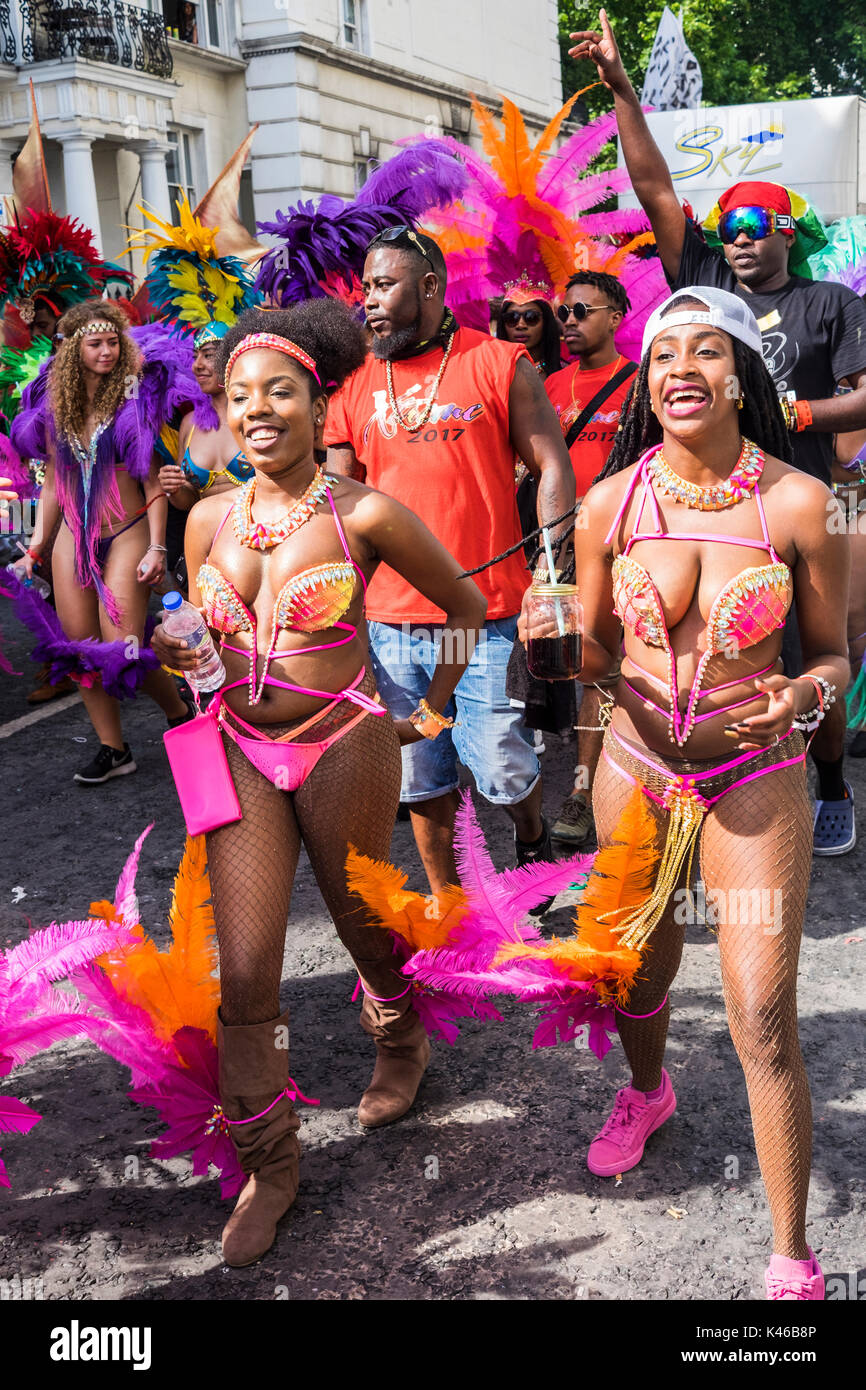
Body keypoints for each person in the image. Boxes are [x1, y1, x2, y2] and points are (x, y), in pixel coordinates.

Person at [151, 299, 486, 1266]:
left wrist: (435, 707)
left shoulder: (366, 513)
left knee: (360, 922)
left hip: (344, 740)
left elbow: (466, 608)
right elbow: (195, 652)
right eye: (241, 394)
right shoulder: (209, 517)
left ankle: (399, 1038)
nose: (259, 409)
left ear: (317, 404)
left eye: (281, 392)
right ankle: (273, 1164)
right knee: (247, 969)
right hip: (239, 753)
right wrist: (181, 657)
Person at [543, 284, 848, 1299]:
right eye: (661, 351)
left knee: (761, 1014)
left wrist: (802, 693)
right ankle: (646, 1089)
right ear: (644, 381)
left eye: (705, 350)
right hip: (633, 766)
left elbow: (837, 655)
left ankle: (791, 1256)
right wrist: (543, 645)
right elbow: (590, 654)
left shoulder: (799, 503)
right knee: (631, 973)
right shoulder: (607, 502)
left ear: (739, 376)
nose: (680, 367)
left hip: (750, 774)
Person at [570, 8, 866, 855]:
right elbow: (657, 188)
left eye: (752, 226)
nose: (734, 240)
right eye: (725, 226)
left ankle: (832, 777)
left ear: (784, 234)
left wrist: (787, 412)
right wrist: (622, 89)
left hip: (806, 499)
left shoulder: (828, 305)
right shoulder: (697, 285)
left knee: (824, 651)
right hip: (691, 504)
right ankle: (662, 778)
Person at [325, 226, 576, 896]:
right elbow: (336, 492)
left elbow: (551, 465)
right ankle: (447, 898)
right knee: (419, 769)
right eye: (366, 288)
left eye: (384, 286)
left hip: (486, 615)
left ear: (430, 287)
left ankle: (530, 835)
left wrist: (553, 573)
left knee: (498, 762)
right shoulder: (354, 379)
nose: (369, 302)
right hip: (389, 621)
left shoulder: (498, 362)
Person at [19, 300, 193, 781]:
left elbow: (155, 478)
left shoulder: (137, 399)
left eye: (113, 341)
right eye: (95, 343)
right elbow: (54, 482)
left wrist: (159, 546)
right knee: (81, 651)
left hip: (128, 529)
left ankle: (177, 710)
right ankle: (113, 749)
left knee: (121, 649)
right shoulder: (58, 404)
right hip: (73, 537)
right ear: (74, 349)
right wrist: (36, 547)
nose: (107, 351)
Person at [544, 270, 637, 848]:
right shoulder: (549, 387)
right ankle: (586, 787)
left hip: (624, 544)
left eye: (583, 311)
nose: (570, 322)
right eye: (564, 313)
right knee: (579, 666)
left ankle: (590, 794)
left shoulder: (640, 381)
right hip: (559, 550)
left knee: (612, 667)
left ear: (616, 317)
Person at [495, 275, 563, 379]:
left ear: (546, 323)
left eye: (531, 317)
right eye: (512, 318)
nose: (521, 325)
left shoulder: (566, 375)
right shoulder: (489, 374)